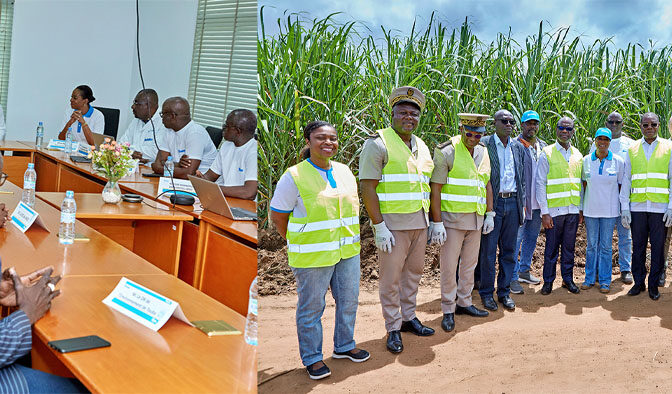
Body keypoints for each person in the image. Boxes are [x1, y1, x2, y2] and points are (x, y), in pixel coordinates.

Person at [270, 121, 369, 380]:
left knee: (348, 301)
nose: (328, 142)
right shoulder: (294, 175)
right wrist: (294, 239)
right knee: (312, 308)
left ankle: (344, 346)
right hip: (313, 255)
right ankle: (313, 358)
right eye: (320, 138)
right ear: (308, 141)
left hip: (347, 251)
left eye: (332, 138)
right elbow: (278, 215)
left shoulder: (345, 171)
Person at [359, 86, 435, 354]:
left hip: (419, 223)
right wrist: (379, 226)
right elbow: (368, 187)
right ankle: (392, 326)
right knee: (390, 278)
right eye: (402, 112)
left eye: (414, 114)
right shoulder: (378, 143)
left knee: (413, 274)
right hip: (392, 226)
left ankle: (408, 317)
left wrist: (433, 222)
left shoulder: (422, 146)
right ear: (391, 114)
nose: (409, 117)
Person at [429, 113, 494, 332]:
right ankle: (448, 308)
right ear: (461, 129)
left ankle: (464, 302)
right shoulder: (447, 150)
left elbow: (486, 184)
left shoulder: (484, 152)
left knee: (469, 264)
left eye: (478, 135)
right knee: (449, 266)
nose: (473, 138)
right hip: (452, 220)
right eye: (469, 133)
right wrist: (436, 222)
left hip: (475, 219)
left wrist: (490, 214)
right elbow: (435, 188)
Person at [475, 110, 525, 311]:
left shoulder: (517, 147)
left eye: (512, 121)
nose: (508, 124)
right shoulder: (484, 145)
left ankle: (504, 292)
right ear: (494, 123)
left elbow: (521, 178)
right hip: (493, 205)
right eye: (504, 121)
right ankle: (486, 293)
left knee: (509, 251)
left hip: (512, 202)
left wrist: (522, 205)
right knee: (488, 252)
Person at [619, 112, 672, 300]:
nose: (649, 128)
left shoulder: (669, 147)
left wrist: (671, 207)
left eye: (653, 124)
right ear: (641, 126)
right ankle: (639, 283)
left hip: (659, 209)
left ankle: (653, 286)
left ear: (659, 126)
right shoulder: (632, 148)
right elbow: (626, 179)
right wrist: (625, 207)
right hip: (638, 208)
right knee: (638, 247)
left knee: (658, 249)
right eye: (646, 125)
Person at [537, 116, 583, 295]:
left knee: (569, 248)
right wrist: (544, 212)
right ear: (556, 130)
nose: (565, 131)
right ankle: (548, 281)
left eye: (568, 128)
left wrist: (580, 209)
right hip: (554, 212)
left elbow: (580, 184)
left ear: (573, 131)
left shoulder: (577, 154)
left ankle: (568, 279)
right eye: (561, 128)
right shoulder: (547, 153)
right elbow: (540, 183)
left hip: (572, 210)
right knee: (551, 249)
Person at [590, 111, 634, 285]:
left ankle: (625, 269)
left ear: (623, 124)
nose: (614, 125)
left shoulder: (630, 145)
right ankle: (600, 269)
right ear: (606, 123)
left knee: (625, 235)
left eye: (618, 122)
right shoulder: (596, 144)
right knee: (602, 238)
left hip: (623, 199)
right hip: (603, 200)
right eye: (611, 122)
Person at [581, 128, 624, 293]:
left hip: (609, 211)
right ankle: (589, 279)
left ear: (610, 142)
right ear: (595, 141)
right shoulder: (586, 160)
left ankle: (605, 281)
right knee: (591, 245)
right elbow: (584, 184)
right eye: (600, 139)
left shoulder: (618, 161)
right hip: (591, 210)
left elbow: (621, 185)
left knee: (606, 246)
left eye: (606, 139)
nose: (603, 142)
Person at [512, 110, 547, 294]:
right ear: (522, 126)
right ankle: (511, 276)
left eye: (535, 123)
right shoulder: (515, 145)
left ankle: (524, 270)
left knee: (531, 238)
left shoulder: (543, 146)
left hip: (538, 204)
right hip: (521, 203)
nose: (532, 126)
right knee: (515, 239)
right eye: (528, 123)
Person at [196, 109, 258, 200]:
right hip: (227, 199)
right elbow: (210, 177)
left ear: (237, 131)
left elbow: (249, 192)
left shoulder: (254, 152)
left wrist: (213, 188)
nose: (223, 128)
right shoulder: (226, 146)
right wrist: (198, 180)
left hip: (247, 207)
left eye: (226, 126)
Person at [151, 97, 217, 179]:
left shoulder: (195, 133)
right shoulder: (169, 131)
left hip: (200, 184)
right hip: (177, 179)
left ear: (172, 116)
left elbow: (188, 173)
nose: (162, 118)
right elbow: (158, 162)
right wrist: (178, 165)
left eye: (163, 114)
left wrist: (160, 168)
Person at [117, 89, 168, 164]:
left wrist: (130, 151)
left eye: (137, 103)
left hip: (151, 169)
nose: (132, 106)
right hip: (133, 166)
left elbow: (156, 152)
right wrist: (131, 153)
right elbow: (120, 145)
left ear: (149, 106)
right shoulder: (136, 120)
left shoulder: (164, 122)